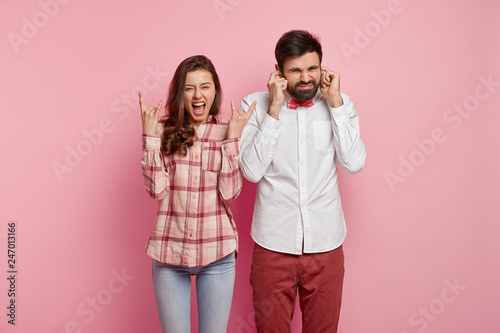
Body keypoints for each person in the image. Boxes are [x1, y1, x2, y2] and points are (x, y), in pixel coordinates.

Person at [239, 30, 367, 332]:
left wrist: (334, 102)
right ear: (278, 73)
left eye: (313, 68)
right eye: (296, 70)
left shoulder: (341, 104)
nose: (306, 77)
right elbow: (251, 171)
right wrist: (274, 109)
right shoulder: (253, 106)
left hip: (326, 243)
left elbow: (354, 163)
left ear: (323, 68)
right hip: (273, 245)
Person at [139, 55, 256, 333]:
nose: (197, 94)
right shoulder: (162, 130)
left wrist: (232, 140)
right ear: (180, 93)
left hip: (217, 252)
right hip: (169, 252)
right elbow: (156, 191)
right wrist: (149, 138)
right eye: (189, 88)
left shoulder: (228, 129)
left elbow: (230, 194)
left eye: (205, 86)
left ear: (215, 91)